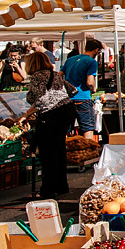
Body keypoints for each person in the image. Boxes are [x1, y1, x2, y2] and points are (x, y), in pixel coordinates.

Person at [21, 50, 75, 199]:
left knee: (48, 152)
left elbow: (40, 99)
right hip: (67, 110)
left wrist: (27, 111)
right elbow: (73, 90)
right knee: (59, 149)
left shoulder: (37, 77)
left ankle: (48, 189)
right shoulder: (55, 74)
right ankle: (62, 186)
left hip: (52, 114)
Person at [61, 39, 101, 139]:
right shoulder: (91, 62)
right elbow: (90, 82)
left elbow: (59, 75)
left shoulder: (70, 60)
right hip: (83, 98)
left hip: (68, 98)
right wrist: (93, 88)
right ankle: (89, 152)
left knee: (66, 128)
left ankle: (65, 151)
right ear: (96, 50)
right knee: (87, 128)